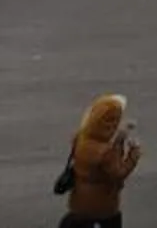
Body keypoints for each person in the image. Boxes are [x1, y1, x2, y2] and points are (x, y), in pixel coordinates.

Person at [57, 92, 142, 226]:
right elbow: (119, 173)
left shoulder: (80, 138)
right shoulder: (105, 151)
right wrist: (134, 154)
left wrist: (119, 139)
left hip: (79, 203)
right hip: (104, 207)